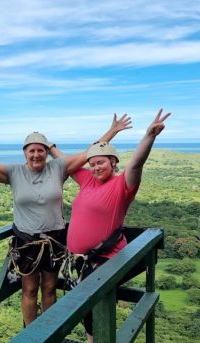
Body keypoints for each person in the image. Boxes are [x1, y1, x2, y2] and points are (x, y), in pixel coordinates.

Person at [0, 114, 131, 326]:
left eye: (41, 150)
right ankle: (31, 334)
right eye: (32, 150)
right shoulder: (14, 172)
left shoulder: (58, 168)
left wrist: (112, 131)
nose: (37, 154)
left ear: (47, 153)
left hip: (54, 238)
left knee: (49, 288)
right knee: (29, 289)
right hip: (26, 240)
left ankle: (49, 331)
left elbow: (90, 153)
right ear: (25, 153)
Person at [55, 108, 170, 342]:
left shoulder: (122, 186)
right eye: (94, 164)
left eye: (102, 163)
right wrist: (51, 148)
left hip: (104, 260)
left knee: (91, 307)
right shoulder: (88, 180)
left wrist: (149, 136)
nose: (97, 167)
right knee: (90, 308)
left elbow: (137, 164)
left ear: (114, 163)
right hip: (82, 260)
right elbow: (68, 162)